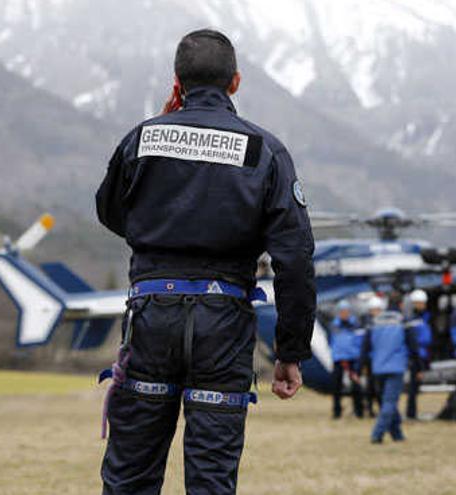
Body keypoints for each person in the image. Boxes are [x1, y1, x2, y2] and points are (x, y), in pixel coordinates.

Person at [95, 29, 315, 494]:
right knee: (212, 479)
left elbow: (111, 212)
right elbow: (294, 258)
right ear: (235, 82)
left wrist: (162, 234)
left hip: (151, 318)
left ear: (177, 80)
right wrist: (290, 351)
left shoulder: (143, 138)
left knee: (130, 476)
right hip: (224, 323)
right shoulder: (266, 151)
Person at [361, 307, 421, 443]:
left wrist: (360, 368)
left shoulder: (374, 322)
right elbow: (414, 346)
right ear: (400, 304)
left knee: (386, 402)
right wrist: (419, 367)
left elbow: (365, 347)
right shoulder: (403, 321)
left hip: (378, 368)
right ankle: (377, 434)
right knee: (389, 403)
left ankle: (397, 434)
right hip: (396, 367)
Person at [330, 300, 365, 419]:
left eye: (346, 311)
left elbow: (360, 341)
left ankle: (359, 411)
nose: (344, 314)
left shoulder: (356, 324)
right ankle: (337, 411)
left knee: (356, 386)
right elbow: (332, 341)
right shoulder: (334, 325)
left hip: (352, 359)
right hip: (338, 359)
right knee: (336, 387)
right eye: (342, 311)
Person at [406, 289, 432, 419]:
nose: (420, 305)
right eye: (417, 303)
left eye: (422, 303)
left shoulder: (426, 317)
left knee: (417, 385)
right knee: (413, 385)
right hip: (415, 354)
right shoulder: (411, 320)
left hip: (424, 353)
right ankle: (411, 413)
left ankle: (413, 411)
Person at [361, 296, 386, 417]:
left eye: (377, 310)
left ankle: (382, 409)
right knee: (370, 386)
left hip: (381, 360)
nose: (374, 312)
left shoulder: (385, 324)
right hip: (371, 360)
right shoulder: (368, 325)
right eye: (372, 310)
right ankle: (370, 409)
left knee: (380, 386)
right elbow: (365, 345)